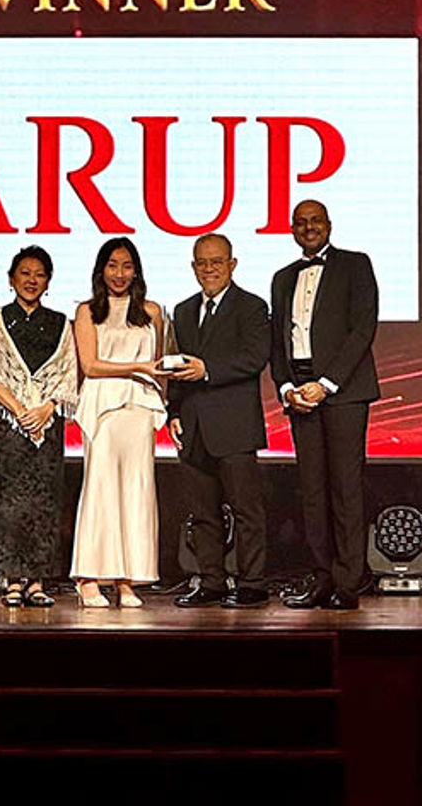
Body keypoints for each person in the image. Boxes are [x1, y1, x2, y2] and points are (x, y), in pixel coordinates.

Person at [270, 200, 379, 610]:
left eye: (315, 221)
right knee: (312, 491)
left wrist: (326, 385)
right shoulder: (283, 278)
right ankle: (322, 576)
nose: (309, 227)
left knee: (345, 489)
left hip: (343, 392)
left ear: (329, 225)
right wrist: (286, 389)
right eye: (300, 222)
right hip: (299, 395)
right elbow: (277, 343)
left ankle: (349, 582)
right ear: (292, 229)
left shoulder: (356, 265)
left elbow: (362, 329)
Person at [168, 233, 272, 609]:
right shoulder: (181, 310)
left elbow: (255, 356)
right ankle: (211, 580)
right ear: (193, 267)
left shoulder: (252, 307)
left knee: (247, 511)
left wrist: (208, 370)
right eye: (202, 263)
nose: (209, 269)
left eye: (216, 261)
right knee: (203, 514)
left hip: (235, 426)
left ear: (233, 264)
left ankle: (252, 583)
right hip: (193, 427)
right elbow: (176, 366)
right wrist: (174, 412)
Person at [0, 246, 77, 608]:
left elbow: (67, 374)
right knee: (7, 502)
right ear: (11, 278)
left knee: (44, 502)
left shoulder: (62, 324)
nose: (32, 281)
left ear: (48, 281)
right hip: (7, 424)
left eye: (40, 274)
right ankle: (11, 579)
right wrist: (19, 410)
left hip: (46, 425)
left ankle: (37, 581)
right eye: (25, 273)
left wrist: (46, 409)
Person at [71, 237, 166, 608]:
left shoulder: (152, 311)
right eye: (112, 265)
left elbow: (161, 364)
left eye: (127, 266)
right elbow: (91, 366)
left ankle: (127, 579)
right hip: (104, 407)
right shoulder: (86, 311)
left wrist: (157, 385)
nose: (119, 274)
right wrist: (137, 368)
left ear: (136, 270)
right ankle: (89, 576)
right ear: (101, 270)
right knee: (101, 489)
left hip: (140, 406)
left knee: (137, 491)